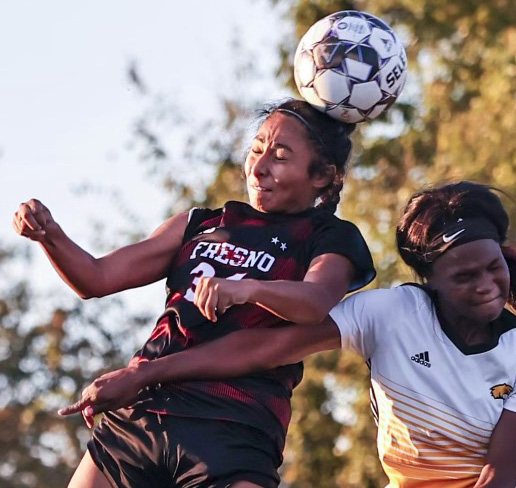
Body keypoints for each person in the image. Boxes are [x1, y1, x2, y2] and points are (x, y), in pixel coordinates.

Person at [13, 98, 375, 488]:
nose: (259, 166)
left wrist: (248, 289)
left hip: (232, 425)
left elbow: (314, 302)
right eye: (256, 150)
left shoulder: (331, 236)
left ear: (321, 176)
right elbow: (96, 278)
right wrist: (49, 235)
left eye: (281, 157)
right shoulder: (199, 223)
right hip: (140, 411)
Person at [65, 182, 516, 488]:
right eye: (465, 276)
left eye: (494, 268)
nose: (485, 284)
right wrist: (144, 374)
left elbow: (502, 476)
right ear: (430, 280)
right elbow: (263, 348)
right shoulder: (393, 313)